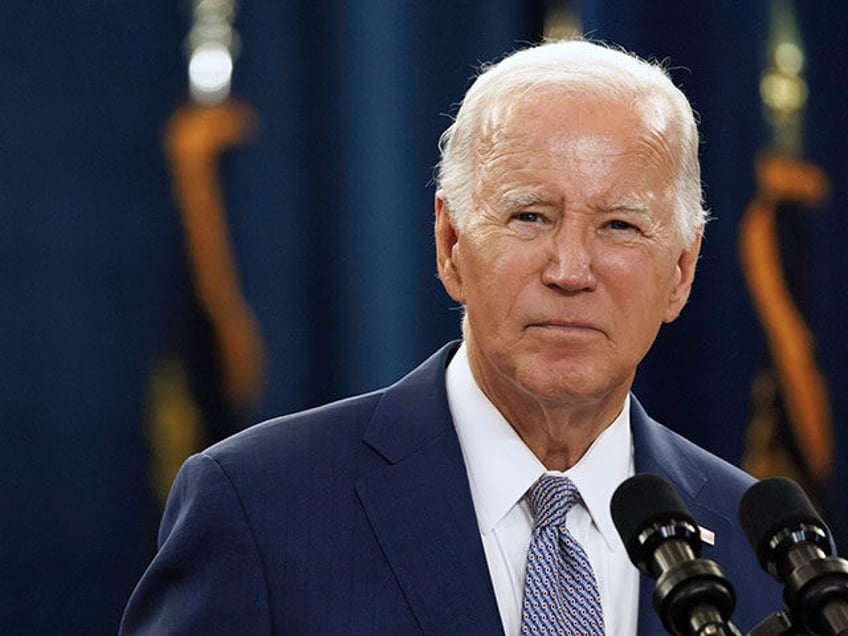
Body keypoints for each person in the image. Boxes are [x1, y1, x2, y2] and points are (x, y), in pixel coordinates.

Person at [121, 39, 783, 635]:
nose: (571, 270)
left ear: (682, 271)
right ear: (449, 245)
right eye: (529, 216)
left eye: (619, 226)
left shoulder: (761, 551)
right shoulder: (259, 508)